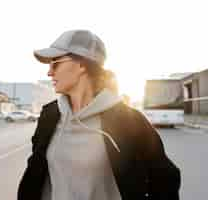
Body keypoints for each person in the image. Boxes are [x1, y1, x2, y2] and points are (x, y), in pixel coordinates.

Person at [17, 30, 181, 200]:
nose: (49, 72)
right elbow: (35, 173)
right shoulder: (49, 115)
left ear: (81, 64)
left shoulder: (129, 121)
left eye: (55, 63)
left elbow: (166, 180)